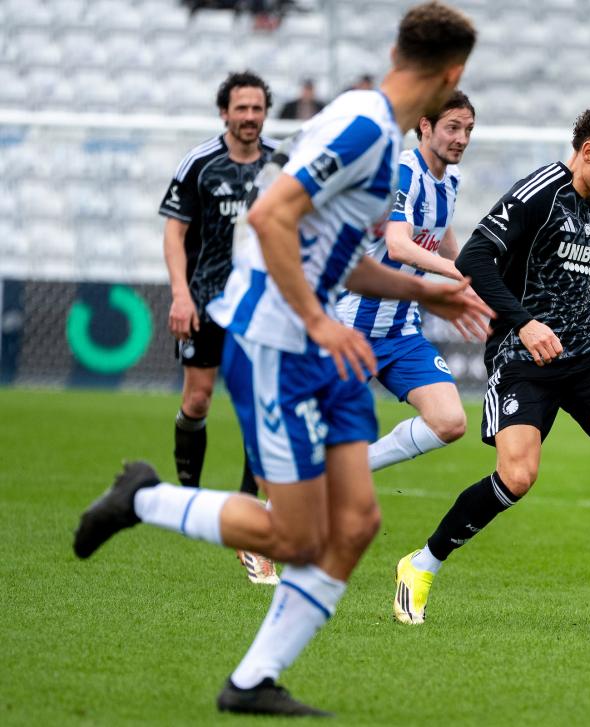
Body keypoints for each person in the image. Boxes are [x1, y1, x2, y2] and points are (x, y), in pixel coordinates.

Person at [73, 2, 481, 717]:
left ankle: (252, 682)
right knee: (294, 534)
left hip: (323, 343)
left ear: (396, 53)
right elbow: (270, 217)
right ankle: (143, 497)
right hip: (277, 339)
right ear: (453, 76)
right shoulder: (364, 128)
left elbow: (337, 254)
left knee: (356, 524)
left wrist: (426, 292)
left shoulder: (373, 130)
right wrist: (320, 320)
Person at [392, 104, 590, 630]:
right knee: (517, 477)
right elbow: (473, 258)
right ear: (589, 152)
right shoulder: (540, 190)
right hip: (522, 356)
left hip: (583, 352)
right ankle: (421, 564)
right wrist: (523, 323)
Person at [159, 70, 279, 585]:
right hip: (205, 301)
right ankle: (188, 495)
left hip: (258, 306)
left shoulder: (281, 164)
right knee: (198, 401)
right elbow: (174, 233)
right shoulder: (200, 163)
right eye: (241, 108)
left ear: (265, 112)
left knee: (260, 407)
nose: (249, 117)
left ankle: (247, 516)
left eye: (257, 108)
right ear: (225, 112)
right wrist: (180, 295)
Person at [335, 90, 476, 471]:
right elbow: (397, 246)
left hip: (400, 331)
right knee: (319, 435)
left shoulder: (451, 179)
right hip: (349, 328)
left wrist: (476, 279)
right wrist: (452, 275)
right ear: (425, 126)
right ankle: (279, 502)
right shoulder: (404, 173)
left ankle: (352, 469)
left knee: (449, 421)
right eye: (452, 128)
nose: (462, 138)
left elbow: (443, 238)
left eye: (468, 129)